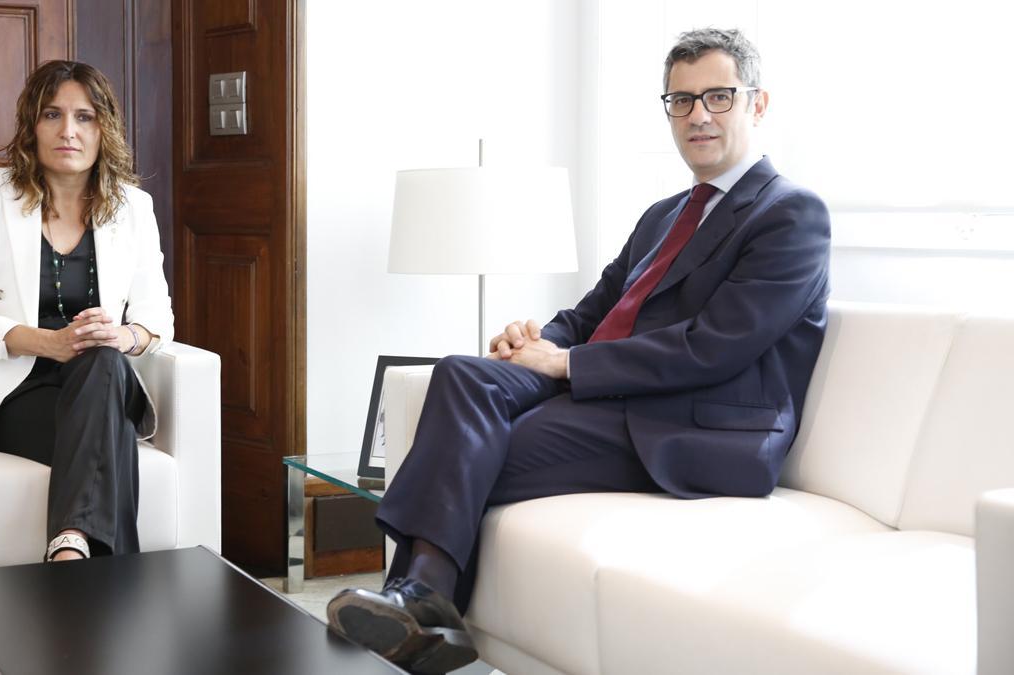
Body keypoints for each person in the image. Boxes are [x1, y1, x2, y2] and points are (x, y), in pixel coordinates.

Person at [327, 28, 831, 674]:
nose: (698, 115)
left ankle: (419, 599)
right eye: (680, 101)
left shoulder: (792, 214)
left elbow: (715, 349)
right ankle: (423, 603)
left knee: (474, 451)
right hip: (614, 390)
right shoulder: (664, 213)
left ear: (757, 105)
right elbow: (595, 312)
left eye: (717, 96)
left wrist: (565, 364)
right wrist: (538, 342)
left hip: (696, 420)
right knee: (462, 374)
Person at [0, 60, 173, 562]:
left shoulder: (134, 208)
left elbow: (157, 320)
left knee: (105, 360)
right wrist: (47, 342)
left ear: (104, 129)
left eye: (85, 117)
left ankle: (69, 554)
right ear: (32, 126)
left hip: (96, 383)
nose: (69, 131)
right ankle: (106, 589)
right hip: (9, 392)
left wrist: (121, 337)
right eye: (52, 115)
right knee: (112, 442)